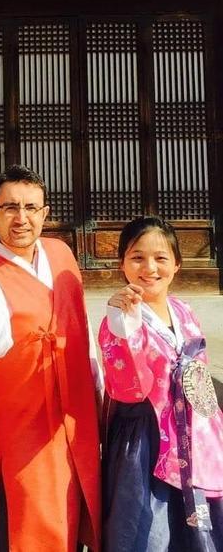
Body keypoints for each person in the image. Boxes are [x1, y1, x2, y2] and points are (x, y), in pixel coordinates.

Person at [0, 164, 102, 552]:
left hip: (74, 404)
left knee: (81, 501)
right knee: (33, 513)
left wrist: (100, 395)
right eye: (9, 208)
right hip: (25, 412)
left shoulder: (61, 252)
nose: (21, 218)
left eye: (31, 208)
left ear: (44, 213)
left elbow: (82, 329)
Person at [99, 217, 223, 552]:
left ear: (177, 264)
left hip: (197, 437)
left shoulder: (184, 311)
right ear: (121, 263)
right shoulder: (117, 315)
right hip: (147, 438)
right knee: (150, 530)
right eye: (137, 257)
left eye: (161, 258)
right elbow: (126, 386)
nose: (149, 267)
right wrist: (122, 322)